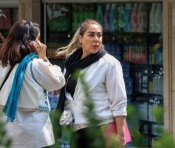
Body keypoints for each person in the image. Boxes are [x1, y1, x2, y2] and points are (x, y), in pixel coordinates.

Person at [0, 19, 65, 148]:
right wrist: (44, 58)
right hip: (35, 136)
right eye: (38, 40)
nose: (40, 44)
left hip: (3, 135)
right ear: (31, 42)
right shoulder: (36, 64)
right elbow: (58, 81)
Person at [56, 19, 131, 148]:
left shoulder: (109, 64)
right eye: (91, 35)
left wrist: (121, 136)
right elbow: (66, 93)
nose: (96, 39)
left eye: (99, 35)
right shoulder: (71, 62)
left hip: (101, 127)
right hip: (77, 129)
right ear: (80, 38)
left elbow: (119, 101)